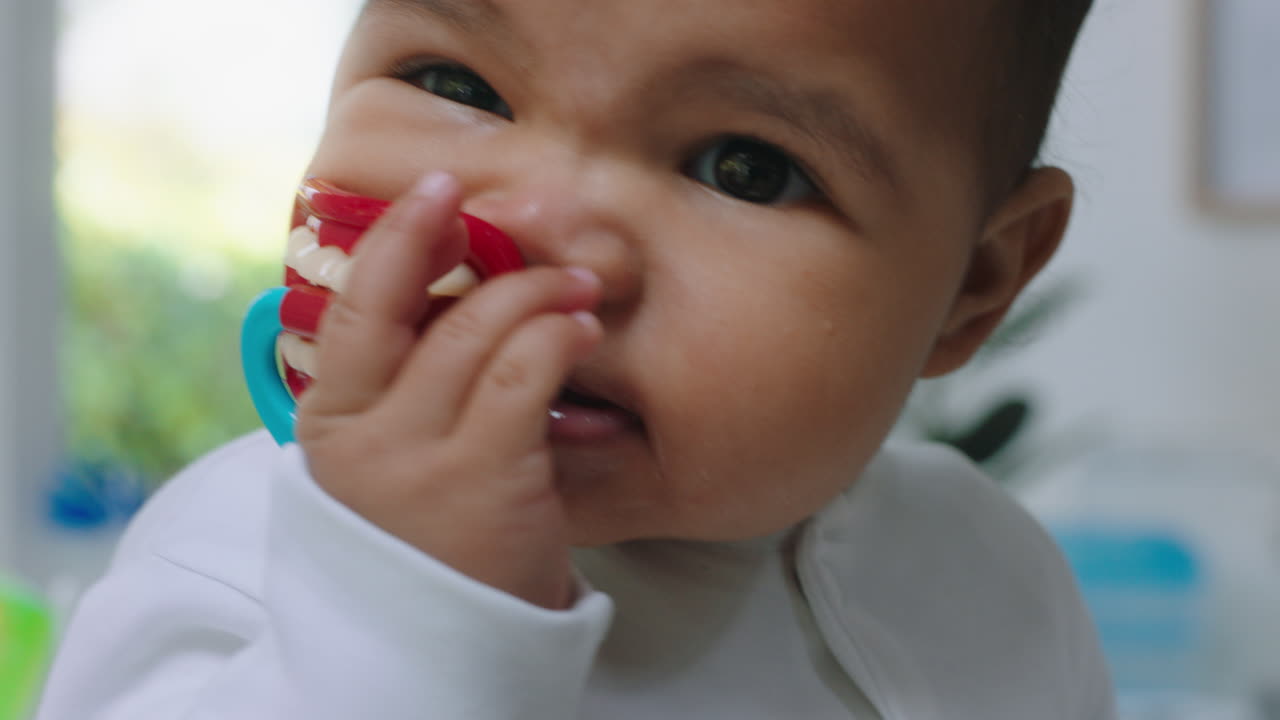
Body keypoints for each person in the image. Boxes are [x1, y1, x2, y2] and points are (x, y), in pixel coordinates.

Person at [35, 1, 1115, 718]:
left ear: (972, 286)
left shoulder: (988, 574)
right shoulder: (239, 558)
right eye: (458, 85)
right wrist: (399, 616)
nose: (540, 224)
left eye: (745, 169)